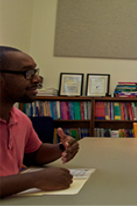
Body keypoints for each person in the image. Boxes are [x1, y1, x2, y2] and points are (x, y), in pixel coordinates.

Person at [0, 46, 80, 198]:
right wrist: (34, 179)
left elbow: (34, 154)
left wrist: (62, 147)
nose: (37, 79)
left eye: (35, 72)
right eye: (27, 73)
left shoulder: (20, 118)